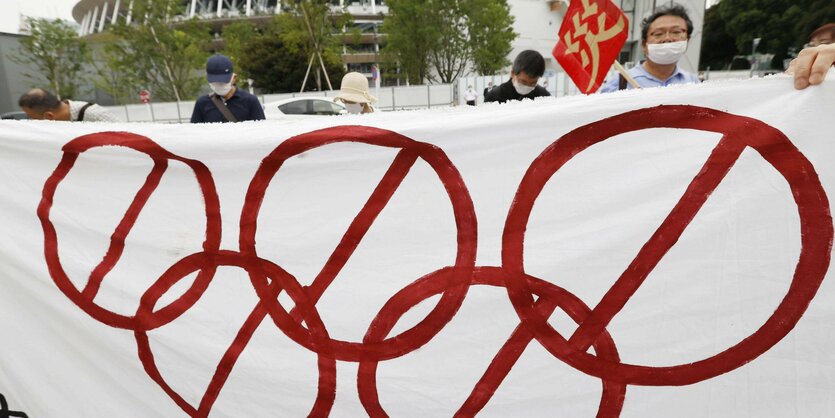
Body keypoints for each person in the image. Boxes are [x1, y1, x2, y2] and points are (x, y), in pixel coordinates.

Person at [599, 3, 700, 92]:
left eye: (676, 32)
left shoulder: (694, 84)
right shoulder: (619, 83)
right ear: (644, 45)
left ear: (687, 40)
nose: (668, 38)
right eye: (658, 33)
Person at [190, 54, 265, 123]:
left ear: (234, 78)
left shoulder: (250, 101)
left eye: (223, 82)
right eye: (215, 82)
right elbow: (194, 134)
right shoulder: (202, 103)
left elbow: (261, 133)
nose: (219, 85)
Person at [484, 50, 551, 103]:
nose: (527, 86)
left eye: (532, 83)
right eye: (523, 82)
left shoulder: (544, 97)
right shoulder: (494, 96)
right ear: (513, 73)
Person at [18, 88, 119, 122]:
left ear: (49, 116)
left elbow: (129, 140)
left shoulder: (95, 115)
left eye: (32, 118)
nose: (30, 122)